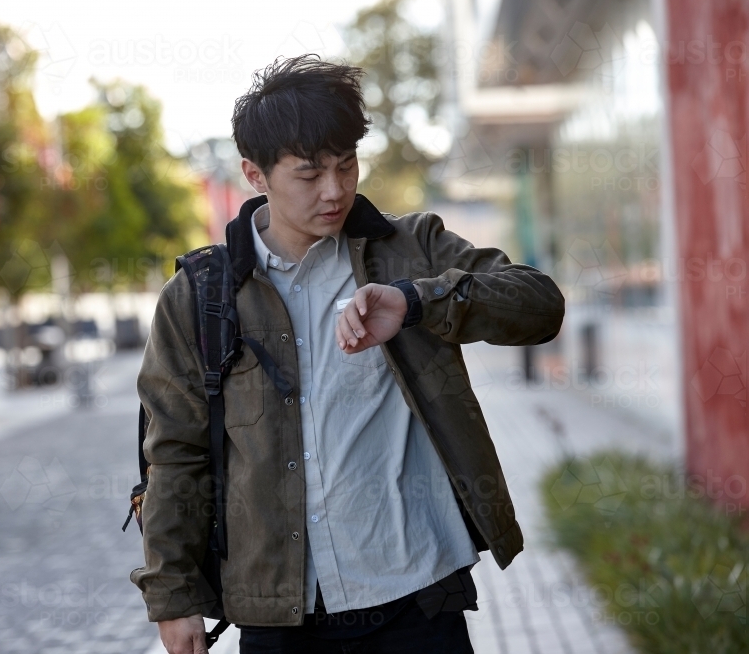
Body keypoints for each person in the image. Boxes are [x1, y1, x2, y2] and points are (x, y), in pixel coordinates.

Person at [131, 54, 565, 654]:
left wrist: (418, 301)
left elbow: (540, 304)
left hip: (418, 597)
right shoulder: (200, 297)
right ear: (255, 174)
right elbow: (175, 454)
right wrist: (173, 596)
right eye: (309, 174)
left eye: (346, 165)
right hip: (279, 615)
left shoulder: (412, 249)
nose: (334, 190)